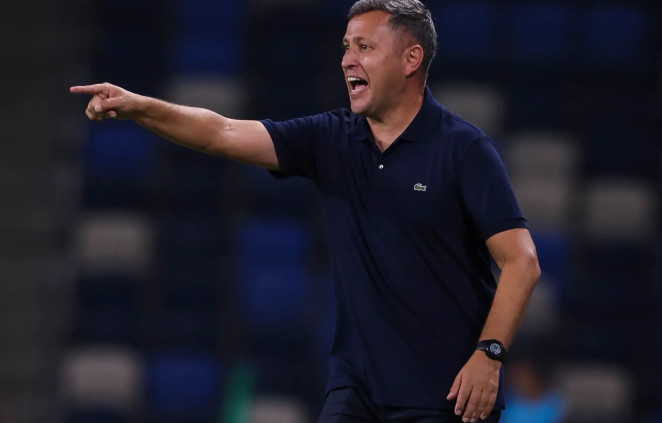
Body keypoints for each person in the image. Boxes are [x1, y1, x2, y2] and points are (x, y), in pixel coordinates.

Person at [70, 1, 541, 422]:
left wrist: (489, 355)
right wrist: (140, 107)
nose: (347, 60)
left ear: (411, 59)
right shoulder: (331, 138)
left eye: (364, 47)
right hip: (355, 389)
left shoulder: (463, 149)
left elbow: (522, 262)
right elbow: (222, 132)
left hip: (447, 394)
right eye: (346, 47)